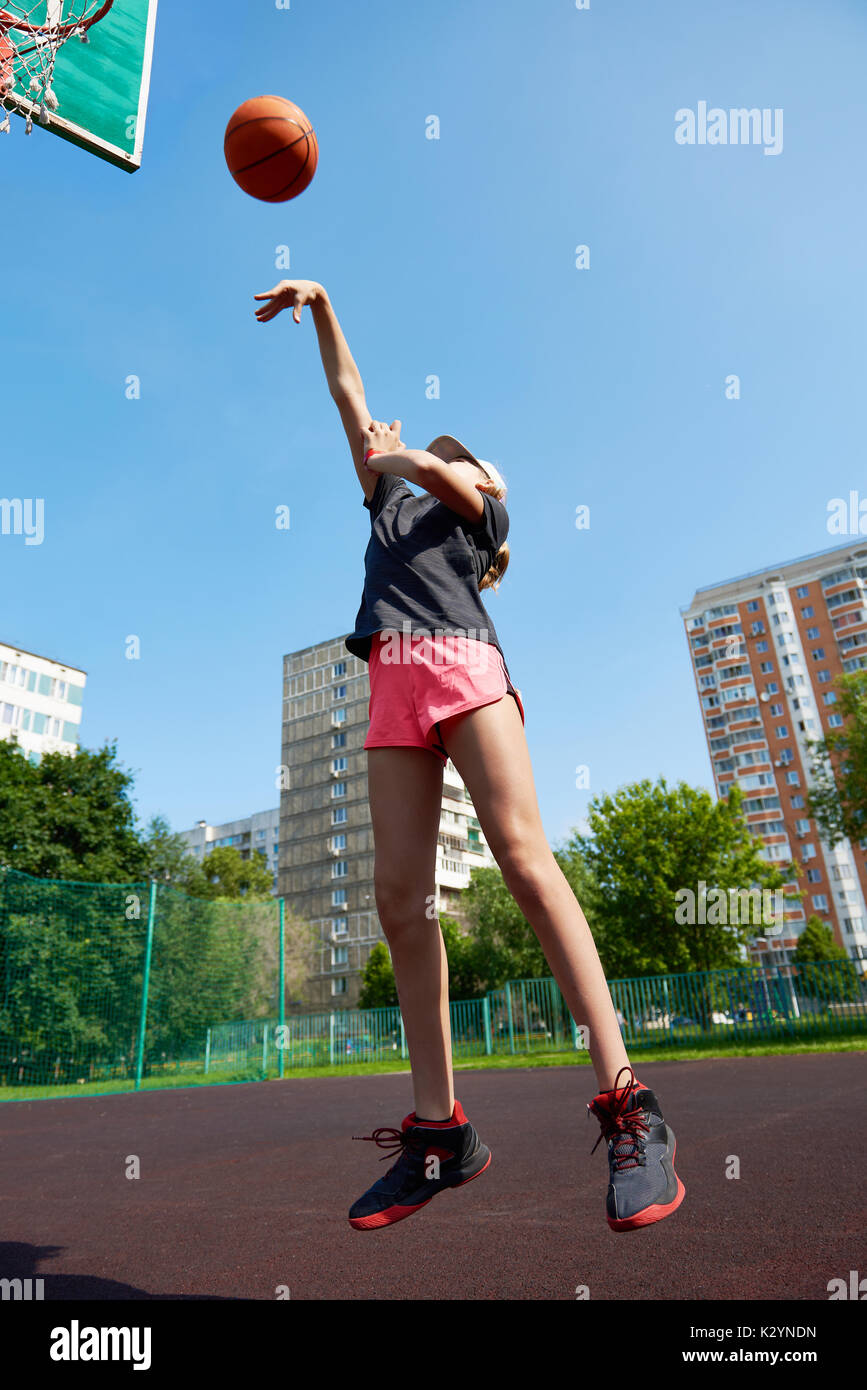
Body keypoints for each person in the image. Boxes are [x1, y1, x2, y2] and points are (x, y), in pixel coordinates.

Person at [254, 278, 685, 1233]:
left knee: (526, 864)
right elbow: (347, 393)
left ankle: (630, 1106)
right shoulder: (383, 502)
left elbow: (445, 473)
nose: (438, 449)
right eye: (423, 446)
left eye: (458, 450)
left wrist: (405, 452)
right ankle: (442, 1134)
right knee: (398, 902)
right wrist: (321, 306)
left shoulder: (474, 509)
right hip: (392, 682)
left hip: (463, 666)